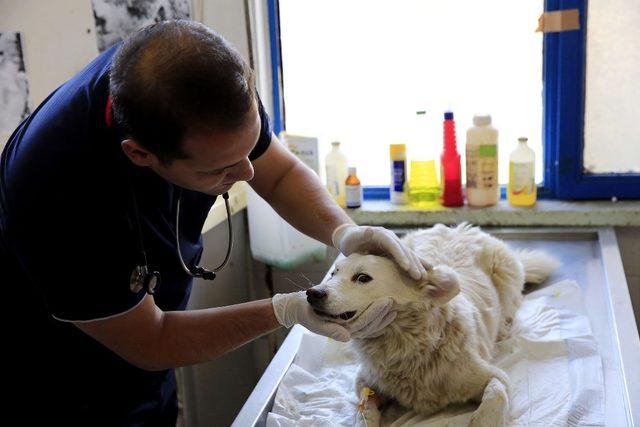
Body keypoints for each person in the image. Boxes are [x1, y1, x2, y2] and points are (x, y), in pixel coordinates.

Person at [0, 20, 430, 425]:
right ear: (140, 154)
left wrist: (346, 233)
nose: (246, 173)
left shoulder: (204, 79)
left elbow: (277, 173)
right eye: (221, 169)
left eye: (248, 149)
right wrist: (287, 309)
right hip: (64, 376)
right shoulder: (54, 193)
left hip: (149, 347)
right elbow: (154, 339)